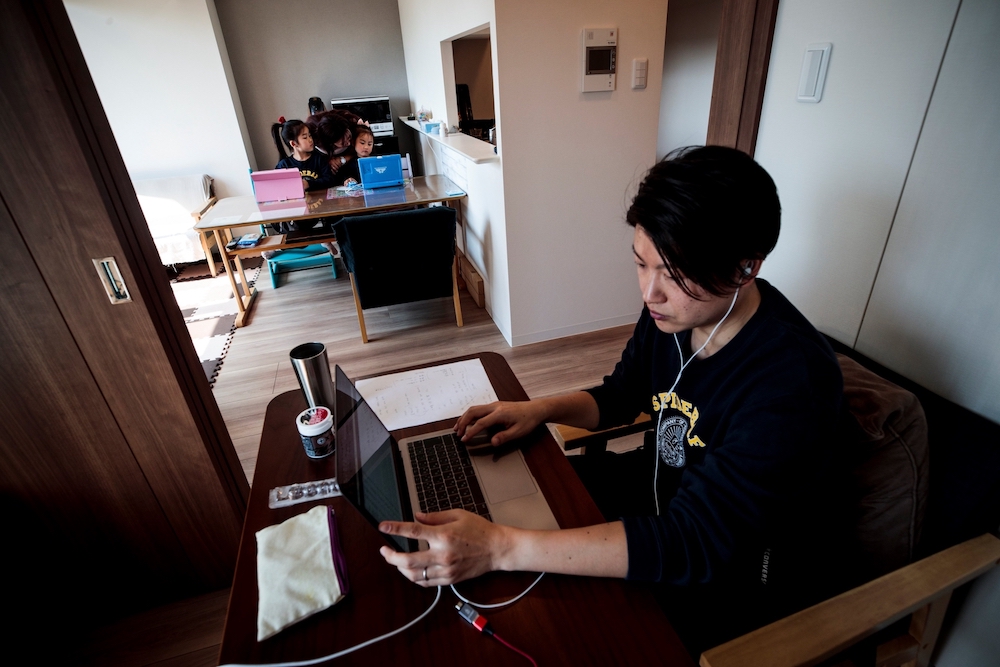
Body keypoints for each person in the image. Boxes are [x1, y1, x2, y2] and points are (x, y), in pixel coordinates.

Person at [378, 146, 854, 655]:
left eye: (674, 274)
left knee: (528, 616)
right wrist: (540, 410)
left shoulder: (789, 385)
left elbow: (694, 543)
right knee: (472, 500)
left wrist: (500, 548)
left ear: (745, 267)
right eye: (641, 264)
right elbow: (622, 395)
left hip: (726, 583)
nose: (651, 292)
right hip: (649, 502)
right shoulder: (675, 316)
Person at [306, 109, 364, 179]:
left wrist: (344, 159)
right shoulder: (313, 137)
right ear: (331, 143)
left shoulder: (351, 122)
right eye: (343, 143)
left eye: (349, 137)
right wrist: (327, 163)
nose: (349, 143)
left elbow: (365, 151)